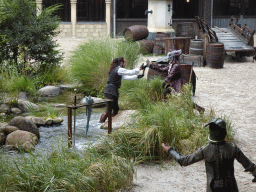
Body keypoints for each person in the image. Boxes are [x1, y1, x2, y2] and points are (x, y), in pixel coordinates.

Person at [161, 118, 256, 192]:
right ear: (225, 133)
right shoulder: (233, 148)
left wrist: (169, 150)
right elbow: (250, 166)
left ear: (210, 134)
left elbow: (184, 161)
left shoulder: (205, 149)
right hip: (230, 186)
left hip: (213, 187)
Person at [99, 57, 146, 123]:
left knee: (113, 109)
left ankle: (107, 124)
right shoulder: (119, 69)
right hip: (111, 90)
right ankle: (104, 124)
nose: (125, 64)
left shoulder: (115, 70)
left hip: (109, 90)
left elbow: (126, 77)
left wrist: (137, 76)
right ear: (121, 63)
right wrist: (139, 69)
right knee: (111, 110)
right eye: (124, 62)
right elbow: (130, 72)